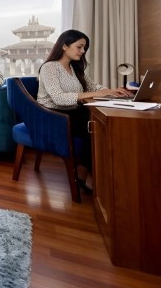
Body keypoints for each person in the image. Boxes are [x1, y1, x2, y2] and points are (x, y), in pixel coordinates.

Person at [37, 30, 131, 194]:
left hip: (71, 112)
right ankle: (86, 173)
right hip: (52, 115)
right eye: (79, 47)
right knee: (94, 126)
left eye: (84, 48)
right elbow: (58, 98)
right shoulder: (49, 67)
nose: (82, 51)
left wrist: (112, 91)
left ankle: (97, 170)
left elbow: (93, 87)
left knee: (98, 122)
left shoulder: (74, 67)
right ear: (64, 46)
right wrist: (96, 94)